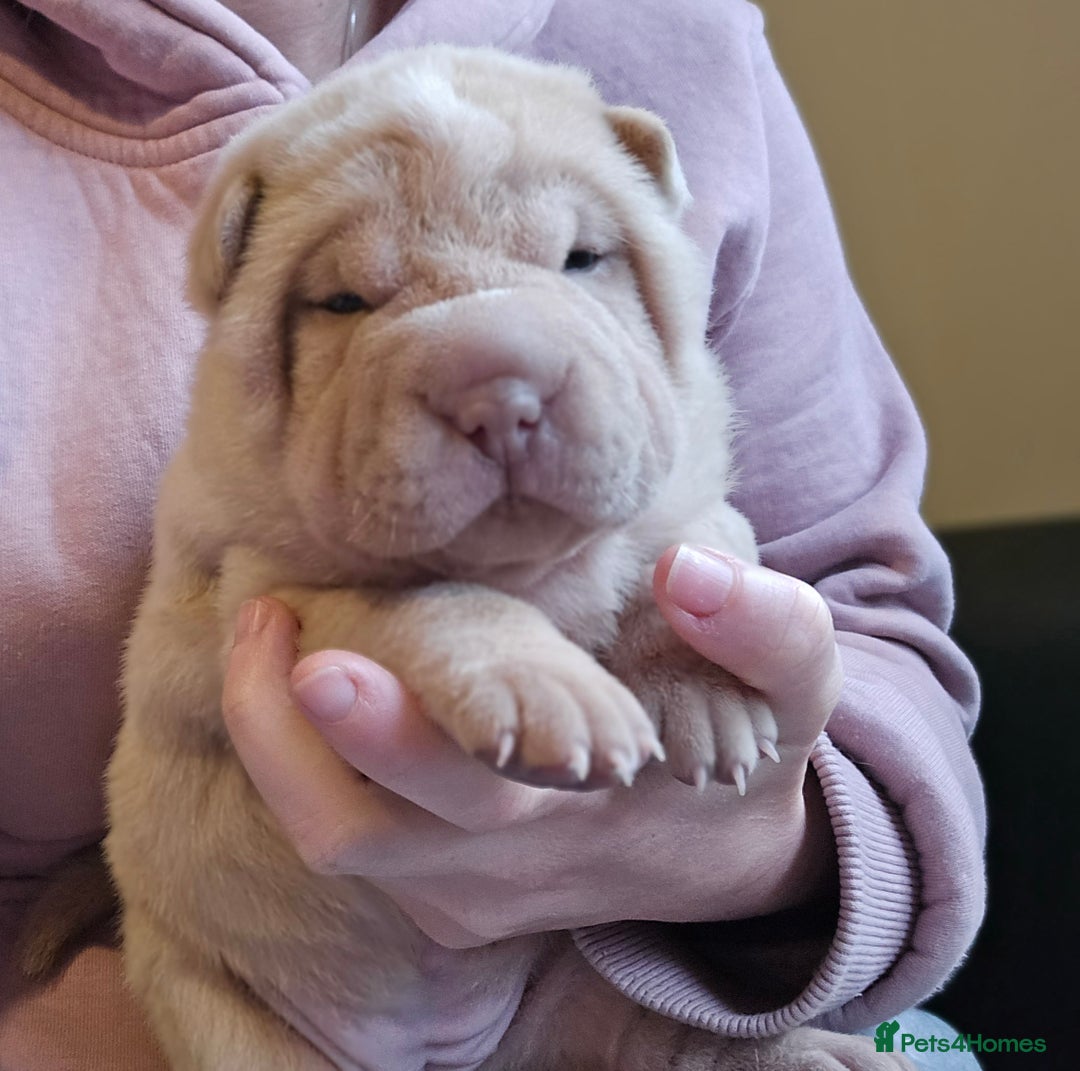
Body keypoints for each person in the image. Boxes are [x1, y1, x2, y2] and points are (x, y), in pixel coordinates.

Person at [0, 1, 985, 1068]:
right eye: (346, 297)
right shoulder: (242, 500)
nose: (499, 397)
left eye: (577, 260)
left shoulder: (675, 34)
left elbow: (860, 602)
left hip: (637, 979)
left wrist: (763, 857)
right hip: (202, 1006)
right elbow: (231, 637)